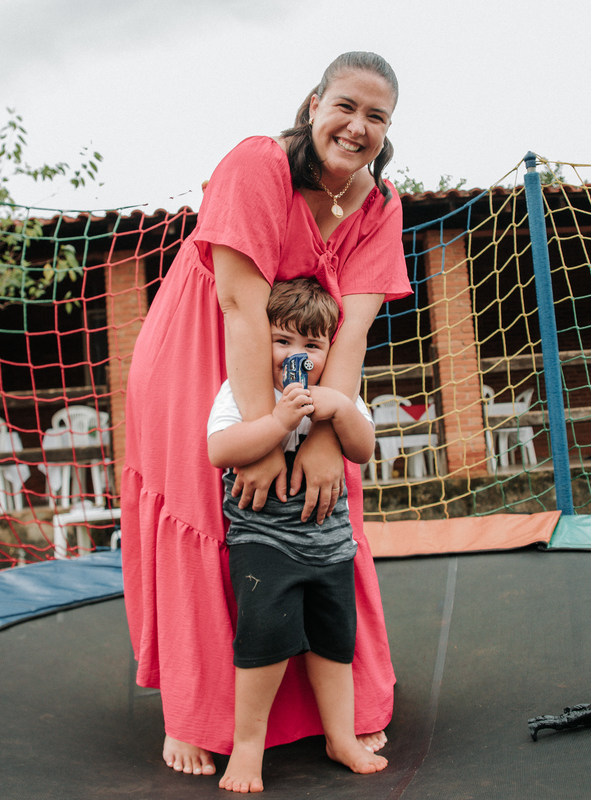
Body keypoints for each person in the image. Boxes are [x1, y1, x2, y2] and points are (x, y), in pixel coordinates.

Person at [121, 51, 411, 777]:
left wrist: (319, 435)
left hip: (299, 361)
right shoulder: (258, 163)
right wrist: (262, 441)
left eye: (377, 116)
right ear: (313, 104)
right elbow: (238, 304)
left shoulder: (381, 207)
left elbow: (352, 329)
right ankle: (196, 714)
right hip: (199, 345)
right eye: (346, 106)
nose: (357, 126)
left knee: (324, 498)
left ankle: (331, 713)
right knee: (211, 507)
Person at [208, 279, 386, 791]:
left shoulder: (339, 391)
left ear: (330, 351)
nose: (297, 356)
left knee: (334, 644)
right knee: (263, 645)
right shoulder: (245, 390)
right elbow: (221, 450)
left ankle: (341, 737)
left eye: (312, 346)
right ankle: (247, 748)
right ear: (263, 341)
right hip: (263, 545)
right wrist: (277, 421)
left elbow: (362, 449)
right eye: (283, 341)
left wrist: (342, 410)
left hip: (328, 545)